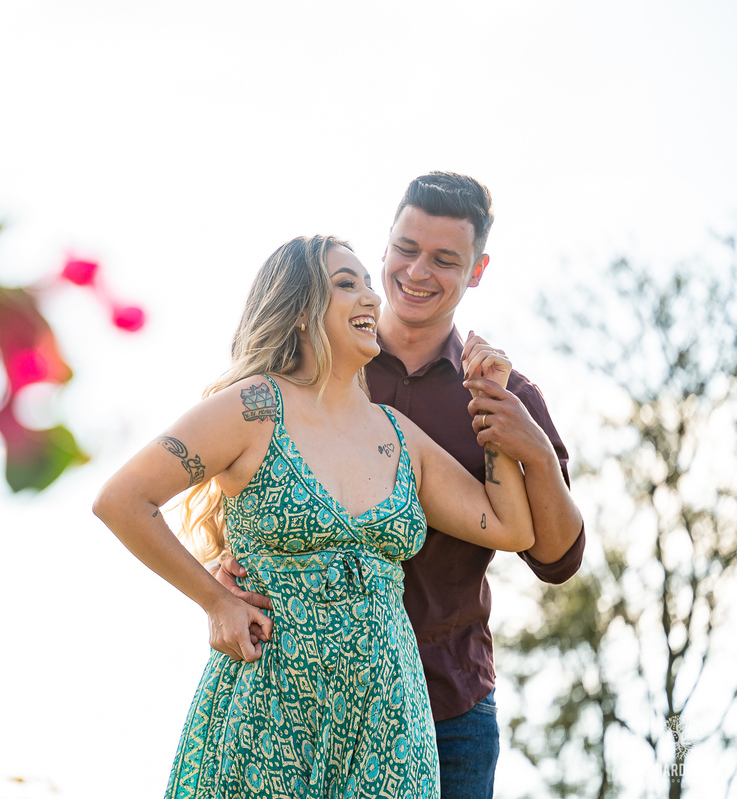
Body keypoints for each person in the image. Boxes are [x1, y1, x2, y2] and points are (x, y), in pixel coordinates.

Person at [93, 234, 536, 798]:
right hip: (267, 713)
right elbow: (122, 499)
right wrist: (216, 600)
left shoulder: (402, 438)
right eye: (346, 285)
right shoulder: (255, 407)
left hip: (389, 727)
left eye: (368, 284)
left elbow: (510, 527)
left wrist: (490, 403)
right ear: (301, 311)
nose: (371, 299)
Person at [218, 173, 587, 798]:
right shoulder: (314, 367)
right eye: (405, 249)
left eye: (446, 259)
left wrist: (534, 453)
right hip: (300, 695)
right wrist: (221, 580)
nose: (418, 271)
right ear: (384, 249)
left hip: (447, 710)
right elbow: (243, 478)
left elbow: (557, 559)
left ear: (477, 270)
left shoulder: (502, 396)